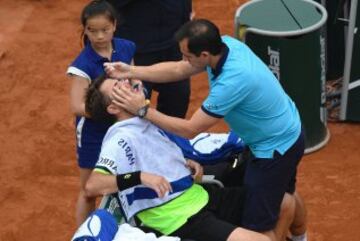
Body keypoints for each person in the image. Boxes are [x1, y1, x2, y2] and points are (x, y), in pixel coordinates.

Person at [104, 19, 307, 241]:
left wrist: (142, 110)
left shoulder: (233, 81)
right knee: (283, 195)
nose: (184, 60)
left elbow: (191, 129)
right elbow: (178, 69)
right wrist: (131, 70)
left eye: (187, 56)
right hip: (282, 132)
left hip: (273, 149)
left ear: (204, 56)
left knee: (258, 228)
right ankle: (301, 238)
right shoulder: (225, 45)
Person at [83, 74, 273, 241]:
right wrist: (140, 177)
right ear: (113, 108)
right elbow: (93, 185)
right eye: (117, 87)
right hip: (178, 218)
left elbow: (155, 158)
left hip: (201, 196)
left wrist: (186, 164)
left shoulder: (143, 122)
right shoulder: (120, 138)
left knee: (282, 203)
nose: (125, 81)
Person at [66, 0, 136, 226]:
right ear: (84, 29)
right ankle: (82, 236)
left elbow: (134, 77)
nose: (98, 36)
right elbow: (77, 106)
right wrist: (113, 111)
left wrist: (136, 92)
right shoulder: (82, 64)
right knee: (89, 190)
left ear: (114, 25)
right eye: (92, 31)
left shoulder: (126, 48)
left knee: (124, 179)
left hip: (122, 126)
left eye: (104, 30)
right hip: (93, 134)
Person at [105, 0, 192, 118]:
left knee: (177, 104)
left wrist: (185, 19)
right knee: (130, 111)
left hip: (173, 43)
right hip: (136, 48)